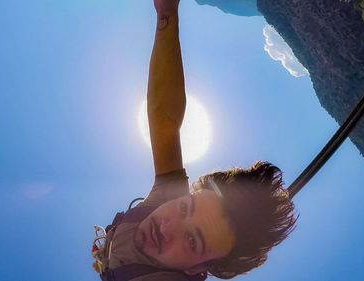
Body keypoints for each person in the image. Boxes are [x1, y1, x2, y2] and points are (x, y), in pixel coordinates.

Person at [95, 1, 298, 280]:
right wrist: (167, 12)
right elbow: (163, 119)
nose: (165, 229)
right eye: (183, 208)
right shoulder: (165, 198)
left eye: (192, 241)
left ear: (195, 269)